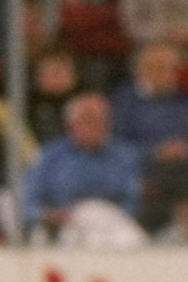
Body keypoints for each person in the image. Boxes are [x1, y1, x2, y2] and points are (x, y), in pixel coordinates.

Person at [14, 92, 147, 241]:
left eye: (103, 120)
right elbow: (28, 199)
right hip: (63, 226)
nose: (97, 125)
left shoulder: (125, 155)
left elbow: (133, 200)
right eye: (89, 119)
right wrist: (49, 215)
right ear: (71, 124)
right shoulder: (49, 157)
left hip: (112, 223)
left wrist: (104, 214)